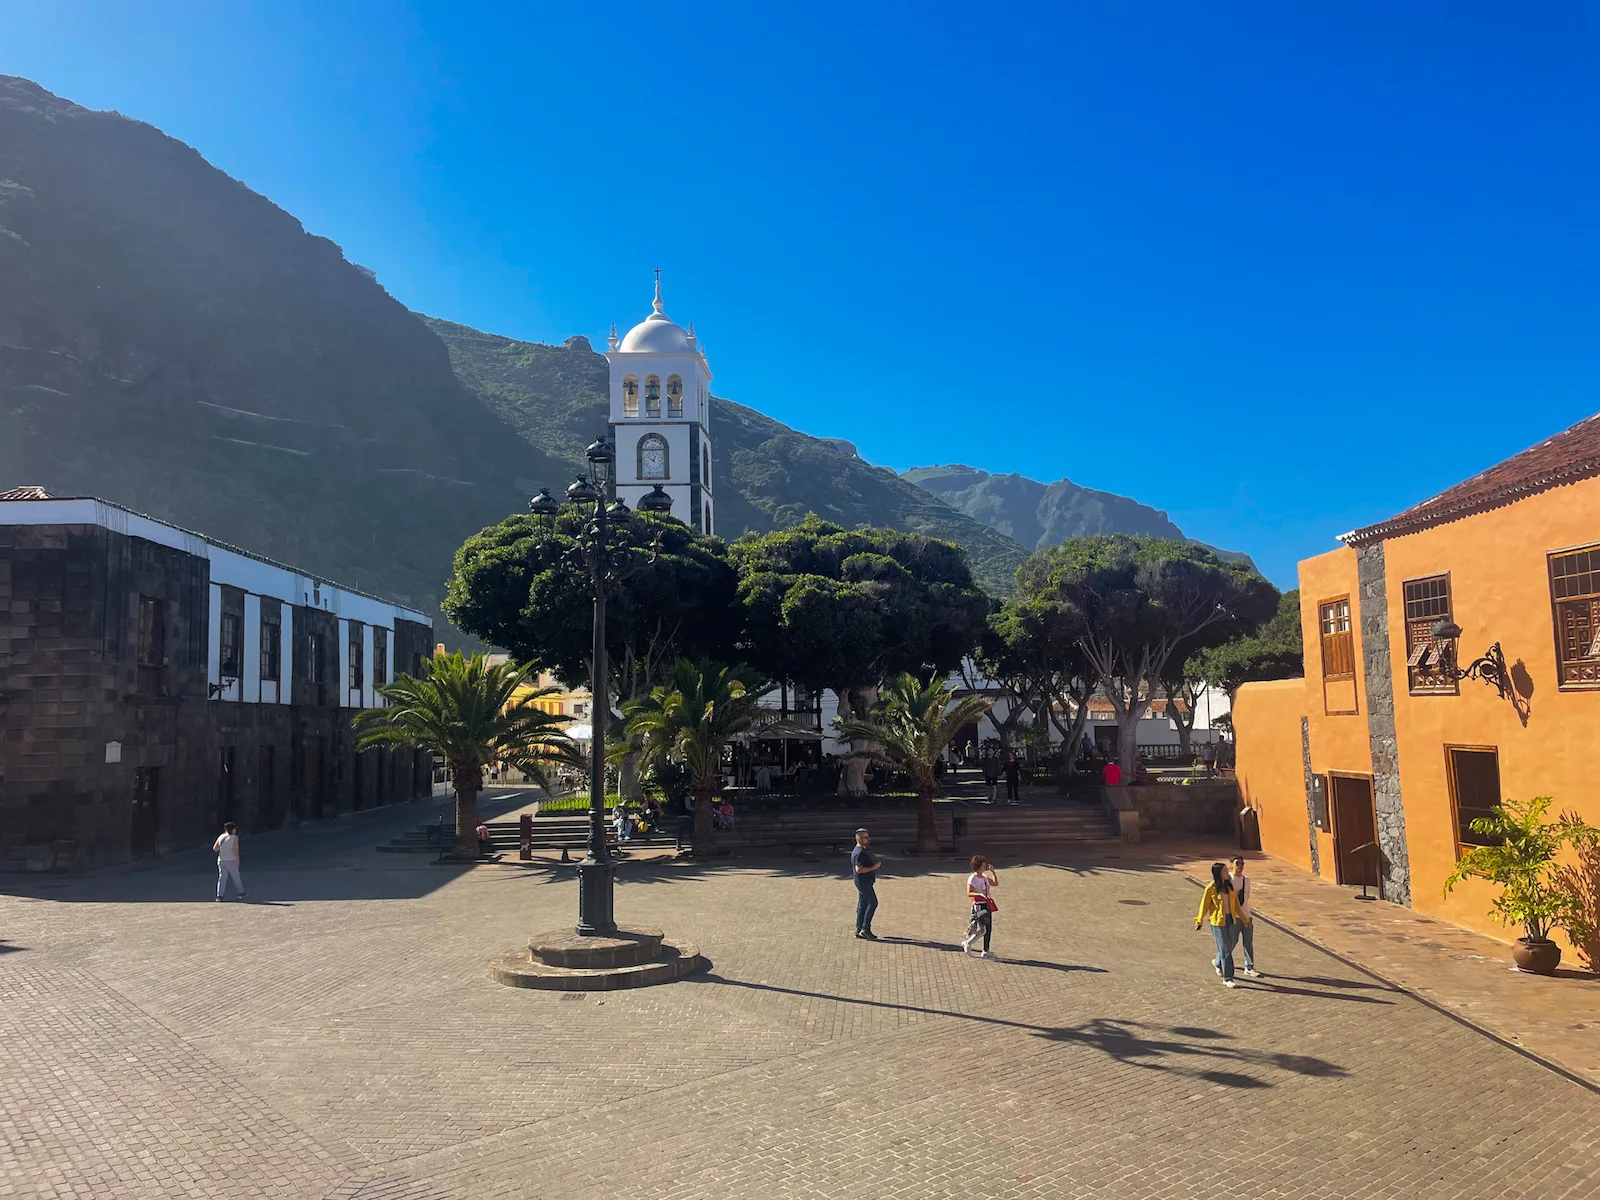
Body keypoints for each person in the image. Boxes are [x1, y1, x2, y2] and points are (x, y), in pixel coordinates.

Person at [1195, 861, 1245, 987]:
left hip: (1231, 920)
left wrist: (1244, 919)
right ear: (1218, 873)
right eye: (1224, 871)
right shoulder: (1211, 888)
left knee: (1231, 944)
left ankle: (1218, 962)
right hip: (1218, 922)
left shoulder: (1229, 887)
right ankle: (1228, 978)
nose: (1227, 872)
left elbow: (1237, 906)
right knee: (1225, 950)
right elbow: (1204, 905)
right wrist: (1199, 920)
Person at [961, 854, 999, 958]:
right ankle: (968, 943)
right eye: (983, 865)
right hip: (978, 906)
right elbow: (969, 893)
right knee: (983, 929)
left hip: (987, 904)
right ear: (978, 866)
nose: (985, 866)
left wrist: (993, 873)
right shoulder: (972, 878)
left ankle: (986, 950)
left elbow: (995, 883)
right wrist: (979, 894)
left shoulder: (985, 878)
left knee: (988, 928)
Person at [1229, 855, 1261, 978]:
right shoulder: (1228, 880)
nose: (1240, 866)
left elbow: (1246, 897)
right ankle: (1219, 961)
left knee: (1248, 942)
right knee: (1232, 941)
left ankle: (1249, 966)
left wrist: (1247, 915)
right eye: (1238, 863)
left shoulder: (1246, 880)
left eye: (1242, 864)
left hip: (1246, 915)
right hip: (1234, 917)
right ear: (1231, 864)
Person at [851, 828, 880, 939]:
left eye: (868, 837)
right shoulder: (859, 853)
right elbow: (858, 869)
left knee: (862, 904)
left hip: (862, 882)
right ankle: (865, 929)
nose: (868, 839)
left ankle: (859, 929)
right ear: (859, 839)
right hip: (863, 882)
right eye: (865, 837)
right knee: (873, 903)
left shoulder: (859, 850)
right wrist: (873, 867)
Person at [213, 822, 246, 901]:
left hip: (221, 860)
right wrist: (237, 860)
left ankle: (219, 896)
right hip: (231, 860)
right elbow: (235, 850)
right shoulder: (234, 838)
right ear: (233, 829)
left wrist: (223, 848)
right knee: (236, 877)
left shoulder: (221, 836)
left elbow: (215, 848)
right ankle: (240, 892)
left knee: (222, 878)